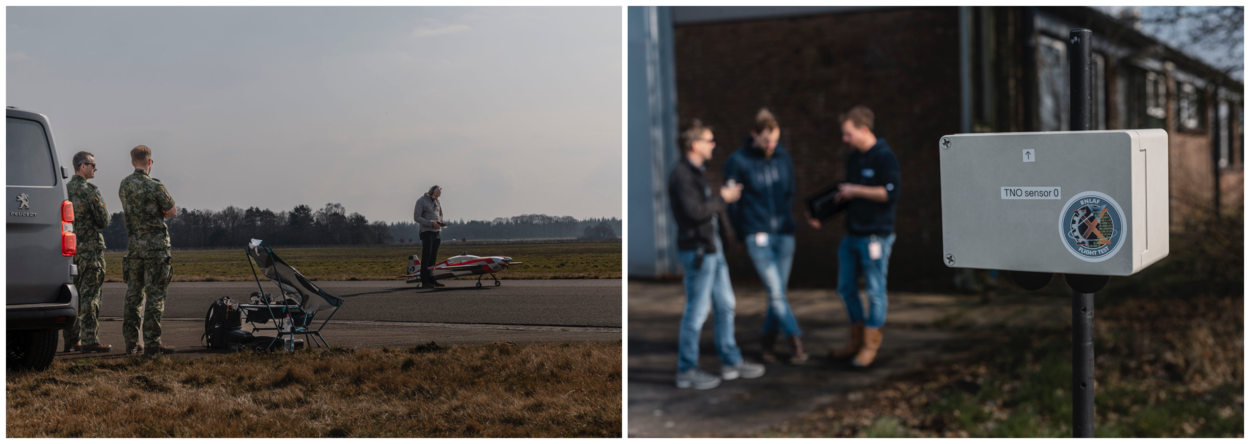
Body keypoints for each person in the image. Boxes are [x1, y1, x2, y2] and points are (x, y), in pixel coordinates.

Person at [669, 118, 765, 390]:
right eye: (710, 141)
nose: (714, 145)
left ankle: (731, 362)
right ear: (695, 144)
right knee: (697, 312)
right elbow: (694, 212)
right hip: (699, 252)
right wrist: (723, 198)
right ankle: (686, 370)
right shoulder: (681, 175)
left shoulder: (697, 172)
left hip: (713, 250)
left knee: (726, 305)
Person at [806, 106, 900, 368]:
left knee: (875, 291)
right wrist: (821, 215)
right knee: (846, 288)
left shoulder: (884, 157)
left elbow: (889, 194)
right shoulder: (854, 159)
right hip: (852, 235)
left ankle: (870, 346)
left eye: (848, 134)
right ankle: (856, 340)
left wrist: (856, 189)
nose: (844, 139)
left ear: (863, 129)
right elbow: (847, 196)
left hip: (875, 237)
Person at [723, 108, 806, 365]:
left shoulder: (783, 159)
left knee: (776, 293)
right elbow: (732, 204)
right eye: (767, 140)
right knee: (777, 292)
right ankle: (796, 342)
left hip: (784, 236)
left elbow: (789, 193)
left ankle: (767, 344)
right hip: (756, 235)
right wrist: (740, 233)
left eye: (775, 140)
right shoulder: (738, 161)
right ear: (754, 136)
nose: (771, 145)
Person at [119, 145, 178, 355]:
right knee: (155, 296)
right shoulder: (155, 186)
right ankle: (153, 343)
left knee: (133, 296)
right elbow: (172, 210)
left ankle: (132, 342)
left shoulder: (125, 185)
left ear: (133, 161)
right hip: (155, 249)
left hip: (135, 249)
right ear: (149, 162)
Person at [63, 151, 112, 353]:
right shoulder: (89, 191)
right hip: (90, 250)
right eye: (92, 165)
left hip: (69, 251)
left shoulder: (64, 191)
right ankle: (90, 339)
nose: (95, 168)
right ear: (82, 167)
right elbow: (104, 221)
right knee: (90, 296)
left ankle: (72, 340)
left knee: (72, 295)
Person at [414, 185, 446, 288]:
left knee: (433, 257)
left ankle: (432, 280)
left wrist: (440, 221)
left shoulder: (437, 201)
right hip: (426, 231)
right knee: (426, 256)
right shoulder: (421, 201)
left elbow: (440, 214)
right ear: (431, 192)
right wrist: (430, 223)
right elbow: (416, 217)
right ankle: (425, 281)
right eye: (435, 195)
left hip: (436, 232)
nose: (436, 198)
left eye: (438, 196)